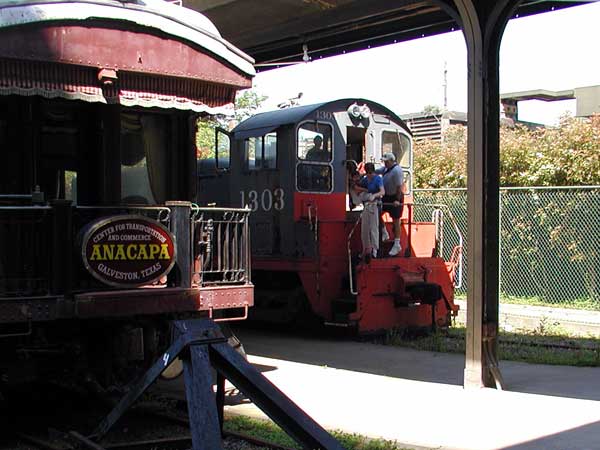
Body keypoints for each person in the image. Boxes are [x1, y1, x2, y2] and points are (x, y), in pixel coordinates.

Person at [353, 162, 385, 262]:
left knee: (373, 228)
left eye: (371, 173)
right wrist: (365, 190)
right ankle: (365, 249)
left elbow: (382, 192)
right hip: (366, 205)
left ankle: (375, 249)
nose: (369, 175)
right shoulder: (366, 179)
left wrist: (374, 195)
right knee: (364, 229)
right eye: (368, 173)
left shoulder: (378, 179)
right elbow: (356, 187)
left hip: (375, 204)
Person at [377, 152, 405, 256]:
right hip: (386, 196)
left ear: (391, 161)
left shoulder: (397, 171)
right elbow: (376, 171)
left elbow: (399, 187)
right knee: (377, 212)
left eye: (386, 161)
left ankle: (397, 243)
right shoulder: (385, 169)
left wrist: (397, 200)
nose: (385, 163)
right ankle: (384, 232)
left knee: (396, 220)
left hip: (395, 197)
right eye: (384, 161)